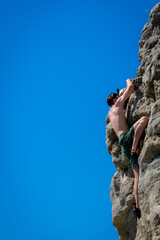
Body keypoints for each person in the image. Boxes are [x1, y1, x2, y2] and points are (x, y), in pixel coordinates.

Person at [107, 78, 148, 219]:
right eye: (117, 97)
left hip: (123, 144)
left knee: (137, 174)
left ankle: (137, 206)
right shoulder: (117, 104)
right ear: (114, 100)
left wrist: (121, 93)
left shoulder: (110, 113)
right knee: (143, 120)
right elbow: (130, 87)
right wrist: (127, 80)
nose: (119, 98)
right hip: (127, 139)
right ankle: (135, 147)